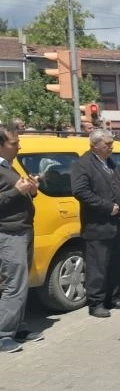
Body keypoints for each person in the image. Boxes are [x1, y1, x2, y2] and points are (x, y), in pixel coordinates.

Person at [71, 129, 120, 317]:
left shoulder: (110, 162)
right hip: (99, 225)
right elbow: (80, 191)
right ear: (94, 145)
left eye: (111, 143)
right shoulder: (83, 164)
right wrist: (106, 206)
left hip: (119, 223)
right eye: (107, 144)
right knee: (98, 266)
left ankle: (113, 296)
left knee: (117, 263)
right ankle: (96, 302)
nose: (111, 147)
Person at [0, 127, 42, 353]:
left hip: (23, 230)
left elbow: (16, 192)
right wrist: (17, 191)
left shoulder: (9, 166)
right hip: (9, 234)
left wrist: (31, 190)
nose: (19, 146)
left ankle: (17, 327)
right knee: (13, 285)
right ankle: (3, 334)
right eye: (14, 143)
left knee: (21, 283)